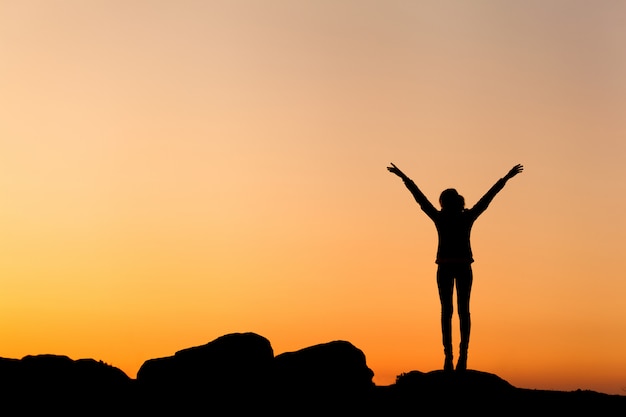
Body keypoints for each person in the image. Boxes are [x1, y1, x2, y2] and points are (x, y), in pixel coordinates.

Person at [387, 163, 524, 372]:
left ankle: (455, 357)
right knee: (459, 312)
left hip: (451, 268)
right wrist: (505, 178)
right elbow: (487, 198)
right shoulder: (459, 217)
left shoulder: (447, 217)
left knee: (452, 312)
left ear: (445, 203)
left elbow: (420, 198)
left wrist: (403, 177)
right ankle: (455, 357)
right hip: (454, 267)